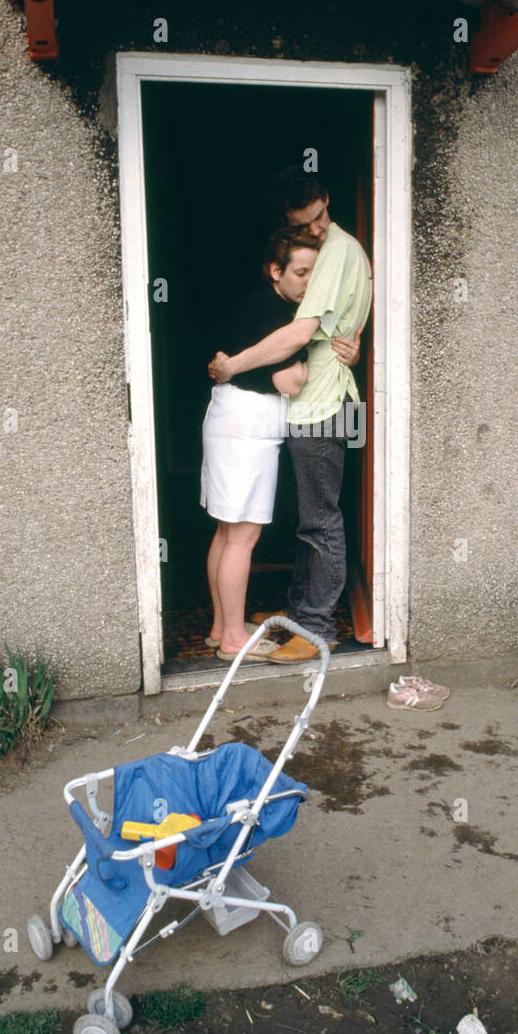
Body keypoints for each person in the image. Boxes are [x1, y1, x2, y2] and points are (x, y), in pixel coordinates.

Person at [208, 168, 371, 663]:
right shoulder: (337, 257)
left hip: (323, 405)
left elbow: (300, 338)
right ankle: (297, 615)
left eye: (319, 217)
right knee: (308, 520)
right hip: (317, 404)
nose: (316, 229)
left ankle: (315, 624)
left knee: (319, 521)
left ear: (328, 199)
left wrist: (232, 365)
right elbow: (319, 336)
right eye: (305, 224)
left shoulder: (337, 252)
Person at [201, 230, 316, 661]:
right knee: (243, 537)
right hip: (247, 428)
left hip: (231, 420)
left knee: (227, 530)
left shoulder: (260, 303)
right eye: (301, 272)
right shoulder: (274, 311)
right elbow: (289, 381)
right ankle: (233, 640)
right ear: (276, 271)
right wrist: (312, 359)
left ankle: (220, 627)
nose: (308, 281)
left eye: (314, 273)